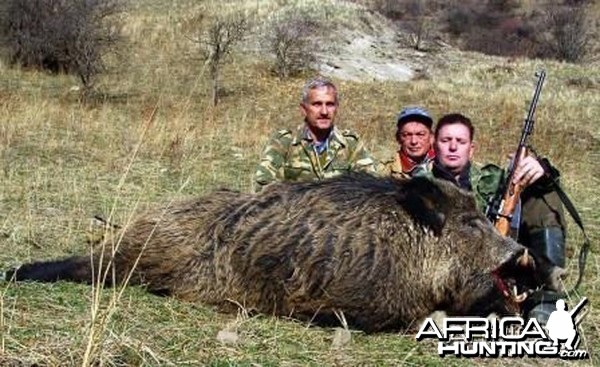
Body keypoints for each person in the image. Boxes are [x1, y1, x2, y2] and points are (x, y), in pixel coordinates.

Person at [417, 113, 567, 324]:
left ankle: (548, 299)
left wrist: (541, 170)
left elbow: (542, 183)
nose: (453, 147)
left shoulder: (494, 180)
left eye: (460, 141)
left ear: (471, 148)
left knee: (543, 194)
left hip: (498, 267)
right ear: (434, 144)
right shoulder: (418, 184)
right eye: (445, 140)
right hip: (443, 276)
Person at [254, 78, 375, 190]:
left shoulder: (351, 144)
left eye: (330, 104)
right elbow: (264, 187)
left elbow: (370, 187)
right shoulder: (284, 142)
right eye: (317, 104)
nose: (324, 111)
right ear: (303, 109)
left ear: (336, 108)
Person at [379, 106, 435, 179]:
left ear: (431, 137)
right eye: (407, 135)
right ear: (398, 138)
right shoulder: (384, 171)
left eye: (420, 134)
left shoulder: (446, 164)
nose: (414, 141)